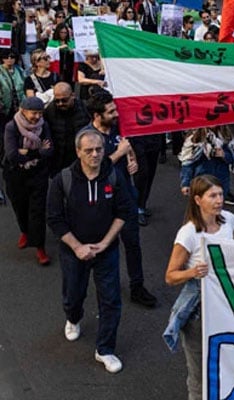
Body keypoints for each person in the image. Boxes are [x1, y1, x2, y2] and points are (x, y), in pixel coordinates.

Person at [46, 129, 133, 373]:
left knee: (111, 300)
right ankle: (73, 318)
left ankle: (105, 349)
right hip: (73, 251)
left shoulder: (114, 176)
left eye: (99, 149)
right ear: (78, 152)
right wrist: (77, 247)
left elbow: (124, 211)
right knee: (73, 294)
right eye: (89, 150)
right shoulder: (62, 180)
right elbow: (54, 219)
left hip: (106, 250)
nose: (95, 154)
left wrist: (105, 243)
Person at [164, 174, 234, 400]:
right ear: (197, 200)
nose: (219, 200)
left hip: (226, 304)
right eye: (212, 195)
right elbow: (170, 276)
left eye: (221, 194)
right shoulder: (188, 234)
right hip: (199, 310)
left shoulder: (229, 220)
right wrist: (192, 272)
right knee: (199, 372)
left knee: (226, 363)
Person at [83, 90, 157, 307]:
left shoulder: (119, 128)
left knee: (133, 244)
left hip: (125, 198)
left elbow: (127, 150)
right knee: (104, 249)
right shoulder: (87, 137)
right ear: (97, 115)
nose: (116, 114)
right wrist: (118, 154)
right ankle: (106, 290)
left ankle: (137, 286)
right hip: (102, 203)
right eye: (110, 111)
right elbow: (92, 169)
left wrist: (130, 158)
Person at [2, 96, 53, 265]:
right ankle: (24, 231)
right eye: (33, 113)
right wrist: (38, 151)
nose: (37, 117)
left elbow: (49, 149)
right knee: (20, 206)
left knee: (38, 211)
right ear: (23, 111)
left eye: (40, 113)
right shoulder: (11, 127)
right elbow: (12, 155)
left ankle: (40, 247)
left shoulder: (44, 126)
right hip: (15, 174)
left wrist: (28, 153)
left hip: (38, 173)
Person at [179, 126, 234, 206]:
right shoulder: (195, 137)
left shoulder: (226, 136)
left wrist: (224, 155)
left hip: (221, 181)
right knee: (203, 210)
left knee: (217, 209)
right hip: (202, 182)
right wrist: (185, 183)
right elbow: (188, 163)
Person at [44, 82, 91, 177]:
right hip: (58, 161)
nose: (60, 104)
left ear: (73, 96)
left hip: (79, 159)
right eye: (57, 101)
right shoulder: (50, 110)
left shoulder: (84, 108)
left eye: (64, 100)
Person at [0, 49, 25, 127]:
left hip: (19, 107)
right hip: (3, 107)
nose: (9, 59)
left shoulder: (20, 70)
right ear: (2, 58)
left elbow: (25, 87)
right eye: (6, 57)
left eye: (12, 57)